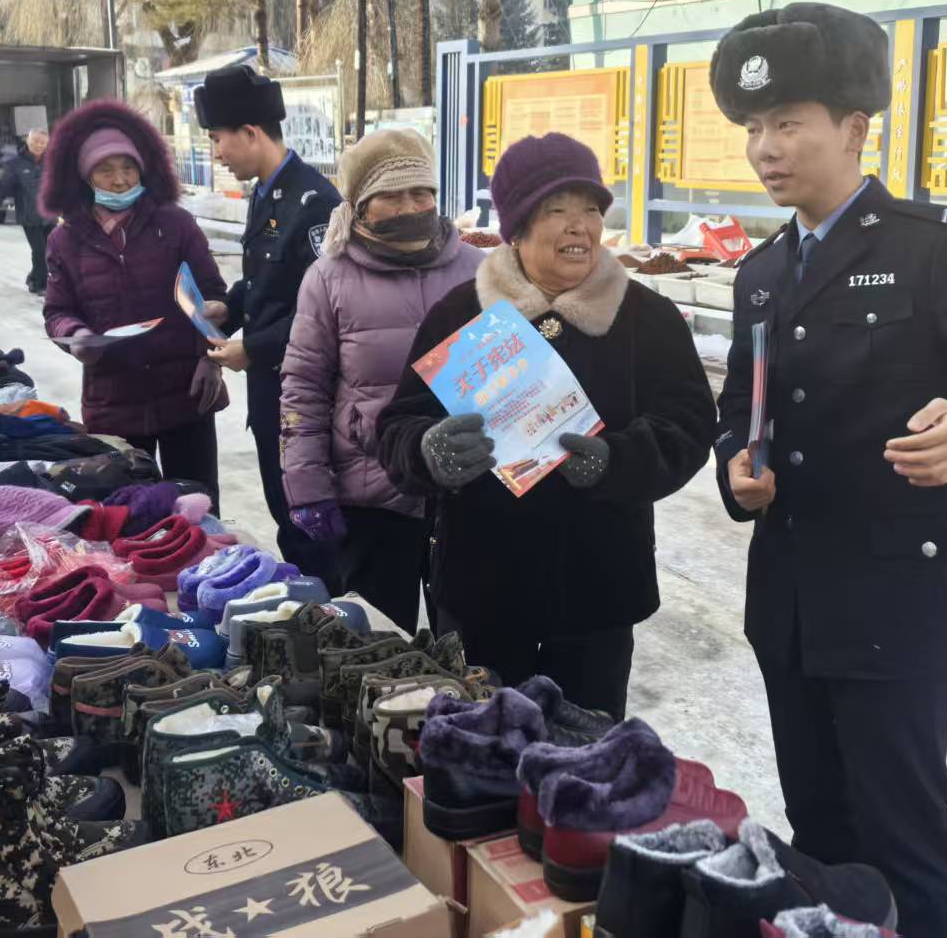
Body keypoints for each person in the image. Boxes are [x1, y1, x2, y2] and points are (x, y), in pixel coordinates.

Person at [707, 4, 947, 938]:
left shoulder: (934, 244)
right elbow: (738, 414)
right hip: (792, 604)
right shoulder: (761, 273)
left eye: (787, 122)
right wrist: (736, 469)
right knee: (821, 833)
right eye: (753, 128)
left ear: (854, 128)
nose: (765, 148)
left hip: (896, 602)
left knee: (906, 839)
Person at [376, 133, 716, 717]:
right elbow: (398, 425)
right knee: (482, 744)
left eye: (591, 209)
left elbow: (688, 426)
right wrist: (428, 451)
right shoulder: (462, 314)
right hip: (483, 588)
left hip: (597, 592)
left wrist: (618, 460)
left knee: (587, 749)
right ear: (516, 227)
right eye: (556, 209)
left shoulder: (648, 318)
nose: (579, 226)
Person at [279, 130, 482, 630]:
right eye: (391, 195)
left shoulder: (481, 271)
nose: (409, 206)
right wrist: (307, 487)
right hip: (373, 495)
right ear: (361, 206)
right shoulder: (329, 278)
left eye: (421, 192)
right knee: (379, 645)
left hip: (465, 493)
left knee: (469, 643)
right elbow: (303, 389)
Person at [193, 63, 340, 575]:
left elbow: (325, 311)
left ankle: (328, 611)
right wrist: (229, 310)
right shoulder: (266, 191)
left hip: (302, 399)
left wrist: (253, 349)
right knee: (284, 514)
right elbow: (269, 282)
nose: (217, 153)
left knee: (310, 527)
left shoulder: (315, 203)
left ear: (251, 133)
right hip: (269, 398)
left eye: (218, 139)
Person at [40, 100, 229, 486]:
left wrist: (212, 359)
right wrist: (77, 336)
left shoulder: (175, 224)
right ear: (85, 176)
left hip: (185, 395)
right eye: (106, 170)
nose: (120, 180)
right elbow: (57, 311)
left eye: (128, 167)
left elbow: (213, 294)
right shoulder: (65, 239)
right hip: (112, 402)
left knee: (197, 504)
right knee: (128, 510)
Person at [0, 127, 52, 294]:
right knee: (39, 250)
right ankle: (39, 284)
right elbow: (2, 187)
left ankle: (34, 277)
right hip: (29, 215)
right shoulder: (16, 164)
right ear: (28, 141)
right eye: (35, 141)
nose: (38, 145)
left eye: (42, 143)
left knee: (50, 251)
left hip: (50, 215)